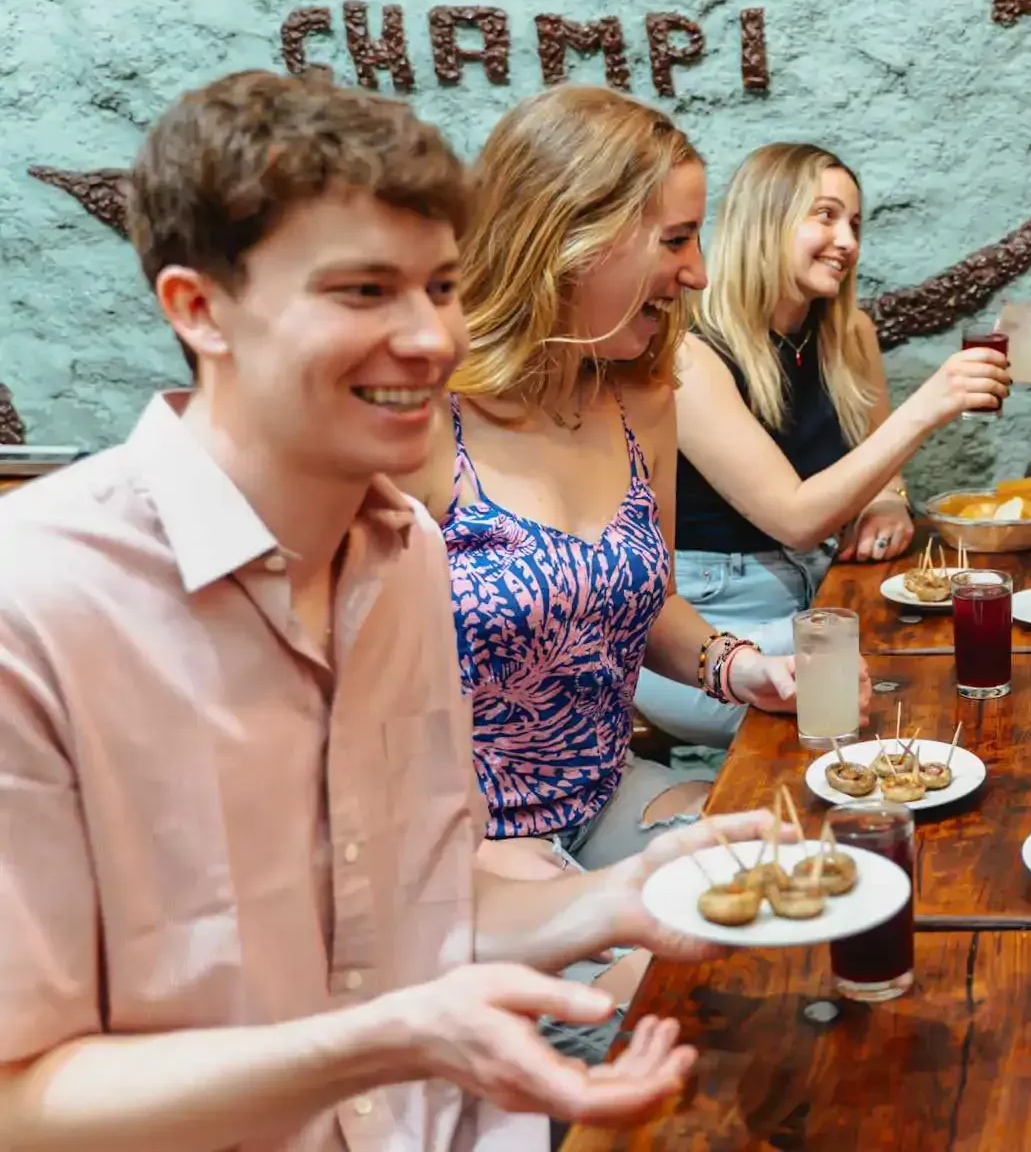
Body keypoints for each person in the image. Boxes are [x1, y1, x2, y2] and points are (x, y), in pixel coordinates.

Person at [0, 68, 785, 1148]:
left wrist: (616, 900)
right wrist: (385, 1038)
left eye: (441, 287)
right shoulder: (37, 601)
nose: (430, 338)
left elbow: (424, 909)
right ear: (198, 309)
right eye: (364, 291)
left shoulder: (403, 554)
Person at [396, 87, 863, 1050]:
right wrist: (462, 861)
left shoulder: (637, 393)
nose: (699, 272)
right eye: (676, 239)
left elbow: (646, 605)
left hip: (604, 792)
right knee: (670, 1021)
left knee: (805, 910)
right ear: (572, 237)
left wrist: (742, 667)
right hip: (458, 847)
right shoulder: (421, 418)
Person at [635, 143, 1009, 751]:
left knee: (953, 666)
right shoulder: (690, 350)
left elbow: (881, 465)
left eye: (855, 223)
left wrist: (888, 502)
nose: (847, 242)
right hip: (705, 631)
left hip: (814, 595)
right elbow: (795, 517)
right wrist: (927, 407)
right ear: (767, 220)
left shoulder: (846, 332)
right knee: (905, 699)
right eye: (826, 216)